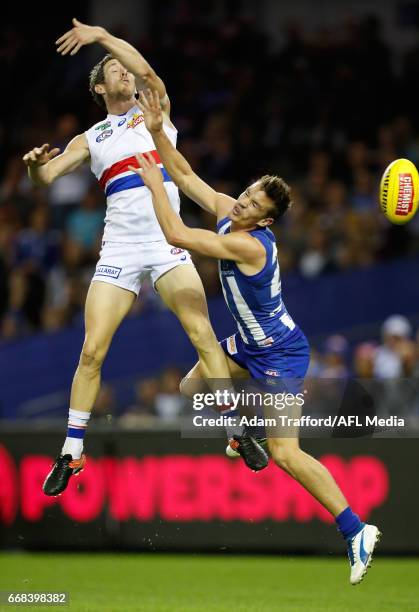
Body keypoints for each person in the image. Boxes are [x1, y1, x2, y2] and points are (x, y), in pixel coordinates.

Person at [130, 89, 382, 585]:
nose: (240, 203)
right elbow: (183, 172)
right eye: (244, 194)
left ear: (265, 220)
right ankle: (240, 431)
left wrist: (151, 185)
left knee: (286, 452)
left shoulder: (248, 243)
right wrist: (158, 129)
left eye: (251, 204)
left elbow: (177, 234)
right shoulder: (231, 211)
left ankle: (356, 529)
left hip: (280, 355)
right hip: (250, 344)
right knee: (190, 388)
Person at [22, 19, 265, 497]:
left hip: (166, 241)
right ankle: (71, 452)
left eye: (126, 67)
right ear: (98, 87)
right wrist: (32, 169)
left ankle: (236, 430)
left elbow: (148, 70)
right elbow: (46, 179)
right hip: (120, 249)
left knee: (201, 332)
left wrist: (102, 38)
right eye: (114, 69)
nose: (125, 73)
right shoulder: (90, 139)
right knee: (92, 350)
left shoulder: (154, 109)